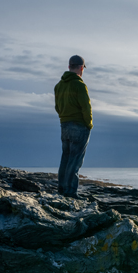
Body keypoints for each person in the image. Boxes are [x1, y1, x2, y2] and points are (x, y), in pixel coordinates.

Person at [54, 55, 93, 198]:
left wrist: (64, 119)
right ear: (81, 68)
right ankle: (71, 192)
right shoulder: (80, 85)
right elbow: (86, 108)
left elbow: (57, 107)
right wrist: (89, 125)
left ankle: (62, 190)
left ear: (69, 66)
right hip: (79, 126)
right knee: (75, 160)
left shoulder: (58, 86)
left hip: (64, 125)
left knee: (65, 158)